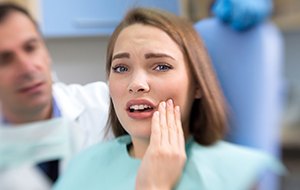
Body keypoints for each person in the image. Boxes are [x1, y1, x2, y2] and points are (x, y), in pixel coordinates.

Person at [53, 8, 284, 190]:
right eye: (121, 68)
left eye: (161, 66)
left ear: (197, 85)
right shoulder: (83, 167)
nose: (136, 84)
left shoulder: (236, 174)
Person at [0, 3, 185, 190]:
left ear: (46, 52)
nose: (27, 68)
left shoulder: (111, 105)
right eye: (5, 59)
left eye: (31, 48)